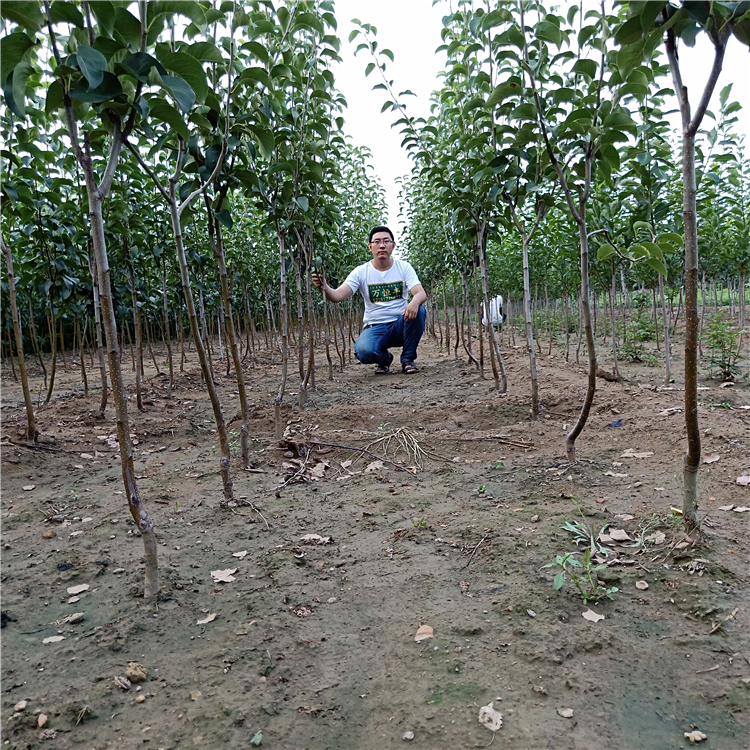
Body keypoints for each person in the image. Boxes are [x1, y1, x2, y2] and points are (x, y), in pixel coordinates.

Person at [312, 226, 427, 374]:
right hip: (375, 327)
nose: (382, 245)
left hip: (401, 324)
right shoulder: (361, 272)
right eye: (377, 242)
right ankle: (384, 359)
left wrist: (414, 302)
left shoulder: (404, 267)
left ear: (393, 245)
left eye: (386, 241)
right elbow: (338, 296)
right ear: (370, 247)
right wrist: (325, 287)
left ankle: (407, 359)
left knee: (420, 310)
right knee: (364, 352)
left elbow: (420, 293)